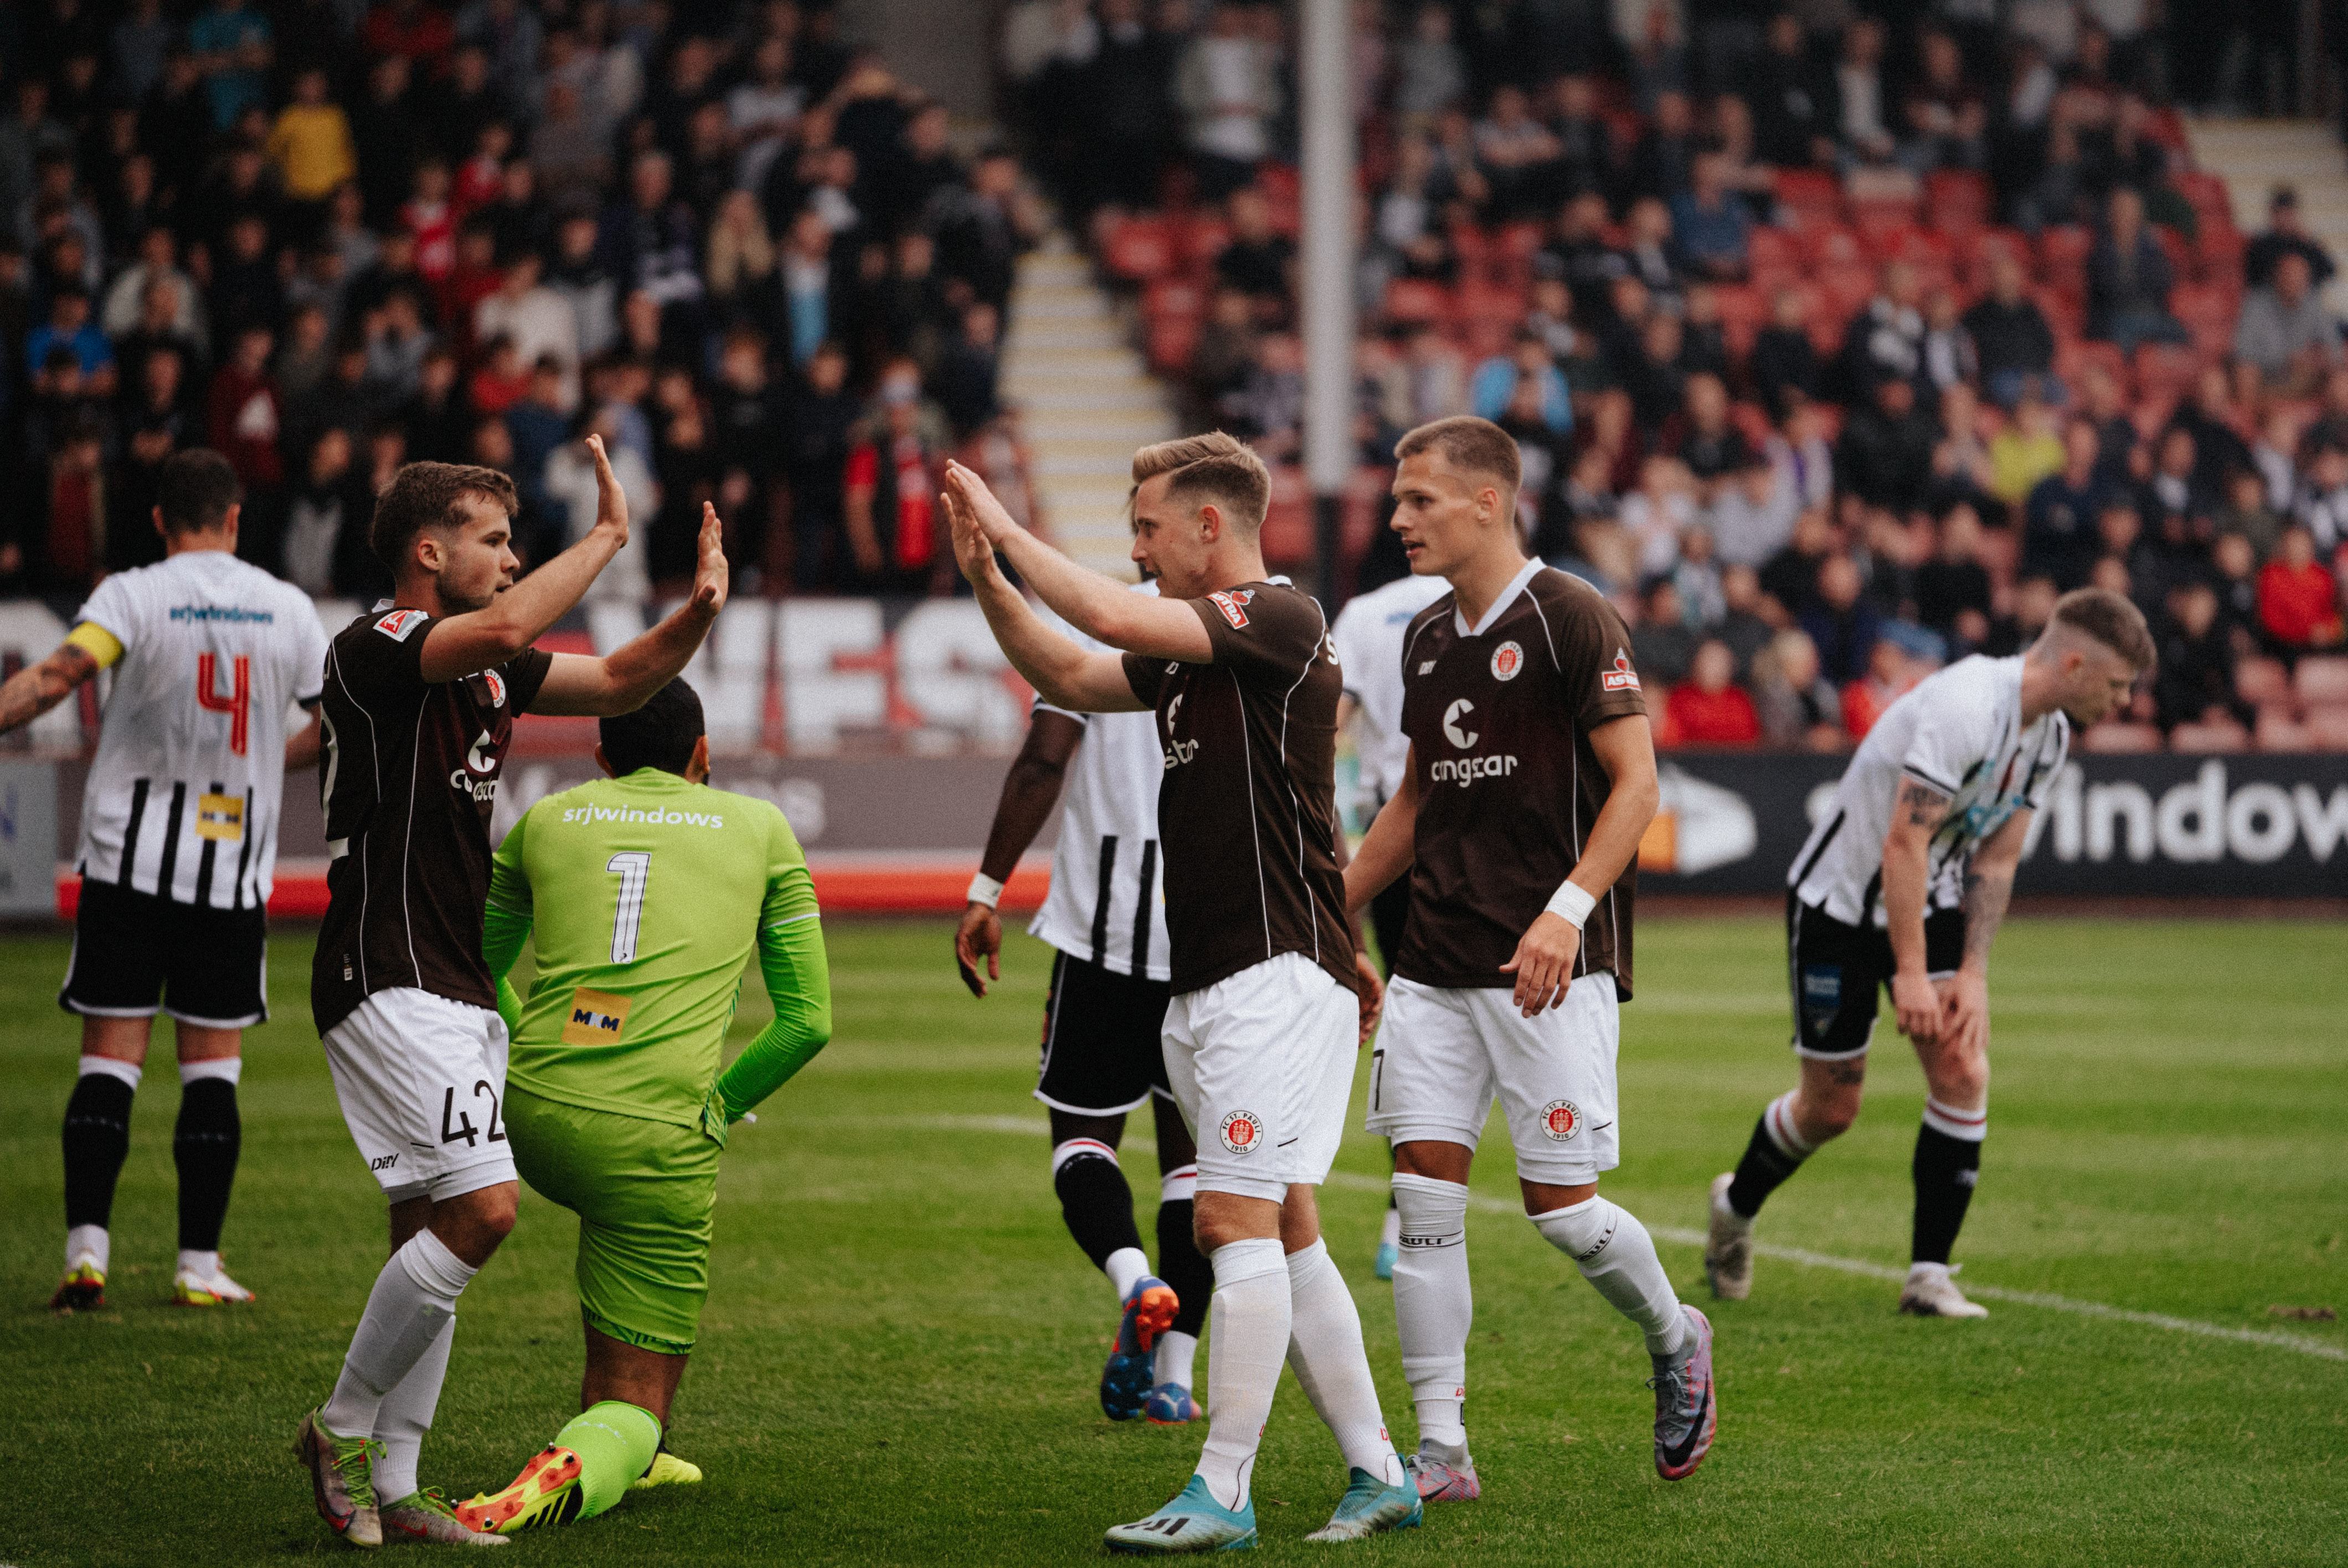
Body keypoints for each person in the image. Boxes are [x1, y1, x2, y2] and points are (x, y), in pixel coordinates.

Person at [943, 434, 1418, 1551]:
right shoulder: (1200, 652)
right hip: (1214, 976)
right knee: (1287, 1231)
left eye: (1150, 526)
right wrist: (981, 577)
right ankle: (1377, 1470)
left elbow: (1108, 620)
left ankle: (1223, 1488)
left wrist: (1010, 533)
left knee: (1225, 1221)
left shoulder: (1282, 618)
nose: (1138, 547)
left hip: (1271, 968)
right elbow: (1068, 673)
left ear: (1212, 526)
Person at [291, 443, 728, 1550]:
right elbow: (496, 629)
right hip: (386, 968)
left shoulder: (481, 672)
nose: (508, 557)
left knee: (427, 1227)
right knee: (485, 1212)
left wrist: (699, 610)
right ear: (428, 552)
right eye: (492, 538)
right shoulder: (380, 643)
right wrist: (607, 537)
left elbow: (622, 680)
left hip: (451, 978)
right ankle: (338, 1429)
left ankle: (395, 1485)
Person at [1338, 416, 1714, 1506]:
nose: (1398, 519)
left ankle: (1672, 1332)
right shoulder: (1420, 638)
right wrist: (1329, 912)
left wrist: (1563, 910)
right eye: (1398, 501)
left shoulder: (1567, 616)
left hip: (1548, 965)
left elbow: (1637, 787)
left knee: (1561, 1210)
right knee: (1422, 1201)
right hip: (1432, 960)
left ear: (1486, 503)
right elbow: (1413, 800)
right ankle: (1440, 1450)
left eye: (1418, 501)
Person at [1702, 589, 2155, 1318]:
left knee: (1962, 1065)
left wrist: (1971, 973)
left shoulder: (2052, 737)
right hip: (1841, 904)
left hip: (1933, 897)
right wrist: (1911, 974)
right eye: (2117, 684)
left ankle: (1929, 1277)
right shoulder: (1967, 706)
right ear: (2074, 663)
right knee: (1832, 1108)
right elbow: (1903, 841)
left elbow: (1999, 861)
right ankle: (1736, 1206)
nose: (2126, 701)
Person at [453, 680, 831, 1533]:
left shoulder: (547, 817)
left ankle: (633, 1454)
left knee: (611, 1236)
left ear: (600, 758)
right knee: (641, 1389)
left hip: (535, 1110)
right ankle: (599, 1450)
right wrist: (718, 1108)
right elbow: (808, 1021)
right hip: (657, 1131)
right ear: (702, 755)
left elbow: (474, 965)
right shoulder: (761, 826)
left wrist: (533, 1042)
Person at [0, 451, 324, 1313]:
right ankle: (196, 1266)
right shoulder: (287, 607)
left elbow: (61, 674)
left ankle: (87, 1256)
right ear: (235, 517)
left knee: (110, 1060)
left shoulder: (131, 596)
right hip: (229, 873)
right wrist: (260, 757)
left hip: (127, 863)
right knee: (212, 1072)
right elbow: (334, 727)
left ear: (157, 521)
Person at [952, 574, 1212, 1427]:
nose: (1135, 544)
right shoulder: (1263, 621)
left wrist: (988, 887)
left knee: (1084, 1140)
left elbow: (1043, 759)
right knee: (1195, 1163)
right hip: (1213, 938)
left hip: (1103, 937)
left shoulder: (1103, 625)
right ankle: (1175, 1378)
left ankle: (1136, 1279)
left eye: (1144, 524)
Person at [1330, 564, 1451, 1280]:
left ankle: (1406, 1209)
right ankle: (1418, 1208)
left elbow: (1328, 733)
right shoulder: (1501, 598)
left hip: (1392, 833)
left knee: (1409, 1015)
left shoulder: (1363, 612)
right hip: (1479, 836)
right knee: (1455, 1016)